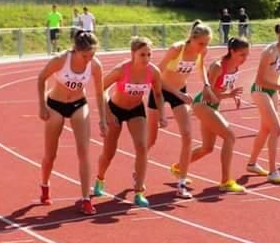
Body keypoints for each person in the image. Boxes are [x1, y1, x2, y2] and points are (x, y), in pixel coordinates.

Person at [36, 30, 106, 215]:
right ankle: (45, 185)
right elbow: (41, 78)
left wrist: (103, 120)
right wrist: (42, 106)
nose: (89, 59)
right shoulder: (61, 60)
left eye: (92, 55)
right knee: (51, 154)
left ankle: (85, 198)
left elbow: (99, 93)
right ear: (76, 50)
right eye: (85, 55)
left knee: (84, 152)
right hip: (55, 105)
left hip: (78, 105)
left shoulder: (95, 66)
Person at [93, 37, 167, 208]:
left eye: (149, 54)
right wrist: (108, 112)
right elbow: (100, 89)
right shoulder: (121, 70)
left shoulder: (153, 72)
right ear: (133, 54)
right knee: (109, 152)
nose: (146, 59)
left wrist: (162, 114)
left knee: (142, 147)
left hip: (136, 110)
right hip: (116, 109)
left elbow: (158, 94)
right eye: (142, 55)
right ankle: (100, 178)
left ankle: (139, 191)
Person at [147, 20, 215, 199]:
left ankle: (181, 183)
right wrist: (178, 93)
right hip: (160, 91)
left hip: (180, 94)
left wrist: (206, 85)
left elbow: (201, 67)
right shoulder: (176, 49)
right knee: (151, 139)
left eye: (207, 44)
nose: (203, 47)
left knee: (187, 135)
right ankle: (139, 169)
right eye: (201, 43)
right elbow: (156, 75)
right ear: (192, 38)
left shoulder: (202, 51)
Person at [176, 37, 251, 193]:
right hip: (203, 104)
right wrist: (229, 95)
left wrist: (233, 95)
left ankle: (179, 167)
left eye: (247, 55)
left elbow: (224, 87)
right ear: (232, 51)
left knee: (207, 147)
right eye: (242, 55)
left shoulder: (235, 67)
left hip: (213, 105)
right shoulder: (218, 67)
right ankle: (226, 181)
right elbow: (207, 93)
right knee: (230, 136)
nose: (245, 59)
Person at [246, 21, 280, 184]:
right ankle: (273, 171)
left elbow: (276, 73)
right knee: (276, 129)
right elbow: (260, 80)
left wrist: (278, 88)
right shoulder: (270, 52)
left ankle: (252, 163)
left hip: (273, 91)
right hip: (260, 90)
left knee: (265, 129)